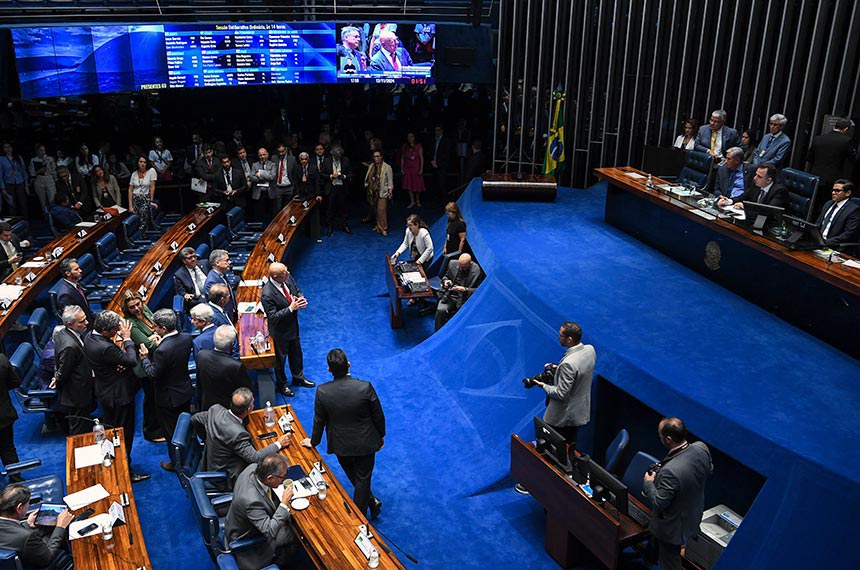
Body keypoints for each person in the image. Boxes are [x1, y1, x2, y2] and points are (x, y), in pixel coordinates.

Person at [301, 349, 385, 520]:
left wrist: (314, 442)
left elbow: (319, 421)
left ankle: (367, 507)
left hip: (340, 445)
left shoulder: (322, 391)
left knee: (356, 476)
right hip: (366, 442)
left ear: (329, 370)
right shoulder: (365, 387)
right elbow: (378, 415)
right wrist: (381, 435)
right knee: (362, 479)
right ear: (348, 365)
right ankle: (361, 519)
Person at [82, 310, 149, 482]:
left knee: (112, 432)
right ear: (105, 330)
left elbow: (115, 359)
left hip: (105, 390)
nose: (118, 331)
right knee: (123, 435)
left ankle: (117, 465)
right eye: (115, 329)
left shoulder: (89, 336)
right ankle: (126, 471)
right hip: (119, 396)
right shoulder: (105, 348)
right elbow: (132, 361)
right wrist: (127, 339)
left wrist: (118, 362)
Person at [642, 417, 713, 570]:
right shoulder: (701, 447)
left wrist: (648, 483)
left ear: (668, 439)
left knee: (670, 563)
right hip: (693, 513)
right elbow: (709, 469)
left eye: (660, 435)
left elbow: (659, 502)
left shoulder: (670, 471)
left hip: (673, 527)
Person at [192, 387, 289, 484]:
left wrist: (206, 438)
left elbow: (195, 419)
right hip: (227, 476)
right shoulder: (238, 434)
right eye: (253, 403)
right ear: (249, 409)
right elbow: (255, 458)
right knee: (268, 470)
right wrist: (278, 444)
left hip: (211, 462)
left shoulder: (215, 410)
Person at [139, 308, 194, 472]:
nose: (154, 329)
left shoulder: (162, 350)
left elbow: (153, 373)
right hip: (184, 391)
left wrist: (145, 358)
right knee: (185, 427)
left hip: (168, 398)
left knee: (171, 433)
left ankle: (176, 464)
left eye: (156, 327)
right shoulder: (186, 338)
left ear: (163, 328)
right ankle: (190, 455)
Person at [225, 455, 297, 570]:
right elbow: (269, 531)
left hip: (239, 522)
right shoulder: (252, 501)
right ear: (269, 478)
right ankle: (281, 564)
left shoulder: (253, 468)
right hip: (247, 537)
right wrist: (284, 504)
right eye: (282, 477)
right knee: (292, 533)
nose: (283, 480)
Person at [531, 322, 595, 446]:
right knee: (569, 445)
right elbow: (580, 370)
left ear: (569, 339)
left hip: (562, 418)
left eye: (560, 335)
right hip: (578, 412)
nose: (558, 337)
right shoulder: (590, 350)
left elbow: (561, 394)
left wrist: (543, 385)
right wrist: (559, 368)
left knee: (554, 449)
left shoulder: (569, 364)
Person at [260, 262, 315, 398]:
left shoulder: (287, 278)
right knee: (280, 360)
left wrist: (300, 298)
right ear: (275, 277)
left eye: (287, 271)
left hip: (292, 326)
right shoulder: (267, 293)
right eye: (284, 273)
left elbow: (296, 290)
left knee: (296, 354)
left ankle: (298, 377)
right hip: (280, 332)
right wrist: (291, 308)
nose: (288, 274)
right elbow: (273, 317)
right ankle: (282, 384)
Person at [120, 290, 165, 443]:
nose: (137, 309)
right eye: (132, 307)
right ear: (127, 309)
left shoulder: (145, 309)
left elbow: (157, 326)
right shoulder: (130, 324)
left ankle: (159, 424)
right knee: (151, 398)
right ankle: (151, 431)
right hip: (144, 366)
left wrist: (154, 336)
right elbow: (148, 345)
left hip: (155, 360)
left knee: (157, 395)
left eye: (138, 304)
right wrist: (155, 338)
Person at [0, 485, 75, 570]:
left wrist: (27, 524)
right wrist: (60, 526)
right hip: (33, 564)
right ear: (19, 507)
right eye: (27, 504)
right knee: (58, 535)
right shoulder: (27, 536)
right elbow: (47, 557)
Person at [52, 306, 95, 436]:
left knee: (84, 424)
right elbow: (64, 370)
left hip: (81, 389)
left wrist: (56, 376)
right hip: (77, 394)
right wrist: (57, 379)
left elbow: (59, 363)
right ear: (69, 324)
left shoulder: (62, 333)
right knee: (78, 430)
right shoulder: (69, 346)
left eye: (85, 319)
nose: (86, 323)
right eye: (81, 322)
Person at [196, 326, 252, 411]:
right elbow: (246, 389)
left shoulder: (201, 355)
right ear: (232, 344)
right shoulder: (235, 366)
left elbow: (199, 381)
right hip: (228, 409)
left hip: (207, 407)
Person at [806, 117, 855, 213]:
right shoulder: (846, 141)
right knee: (827, 205)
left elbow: (809, 158)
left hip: (815, 176)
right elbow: (852, 160)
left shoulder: (818, 138)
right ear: (845, 129)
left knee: (812, 204)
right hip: (833, 179)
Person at [434, 253, 481, 330]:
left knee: (462, 317)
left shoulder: (476, 270)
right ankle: (438, 333)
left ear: (470, 264)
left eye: (463, 267)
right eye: (460, 265)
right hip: (450, 295)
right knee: (440, 310)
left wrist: (465, 289)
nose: (460, 268)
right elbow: (445, 277)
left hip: (464, 299)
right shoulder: (452, 263)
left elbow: (478, 291)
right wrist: (446, 281)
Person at [718, 163, 789, 210]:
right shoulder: (756, 184)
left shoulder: (780, 191)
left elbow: (769, 210)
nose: (754, 178)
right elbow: (743, 197)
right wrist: (729, 201)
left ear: (768, 180)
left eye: (759, 176)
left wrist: (745, 206)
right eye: (756, 174)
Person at [816, 179, 860, 247]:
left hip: (834, 246)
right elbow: (818, 224)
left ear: (848, 193)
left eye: (837, 191)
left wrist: (825, 242)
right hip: (818, 243)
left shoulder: (853, 210)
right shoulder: (828, 204)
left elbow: (847, 235)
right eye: (833, 190)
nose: (833, 193)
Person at [0, 352, 22, 476]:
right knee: (8, 448)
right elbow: (15, 382)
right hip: (4, 414)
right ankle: (16, 479)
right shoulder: (1, 359)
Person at [55, 258, 94, 324]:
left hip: (89, 318)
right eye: (76, 269)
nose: (80, 271)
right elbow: (73, 320)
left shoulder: (75, 284)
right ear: (68, 273)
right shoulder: (65, 295)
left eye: (79, 268)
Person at [364, 150, 393, 236]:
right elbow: (368, 176)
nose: (376, 158)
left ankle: (384, 228)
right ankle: (378, 225)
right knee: (375, 209)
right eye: (374, 156)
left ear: (381, 157)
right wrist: (367, 185)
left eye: (377, 156)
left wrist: (390, 191)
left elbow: (390, 181)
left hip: (382, 191)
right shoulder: (371, 166)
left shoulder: (387, 167)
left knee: (381, 210)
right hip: (372, 191)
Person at [204, 249, 237, 322]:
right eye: (226, 260)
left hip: (231, 313)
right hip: (224, 319)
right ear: (217, 263)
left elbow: (230, 295)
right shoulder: (212, 282)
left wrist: (235, 311)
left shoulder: (221, 274)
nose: (229, 262)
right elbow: (219, 305)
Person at [325, 145, 351, 235]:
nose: (337, 158)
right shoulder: (326, 161)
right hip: (331, 187)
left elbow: (351, 173)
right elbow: (322, 174)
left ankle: (345, 225)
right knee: (330, 208)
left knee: (343, 208)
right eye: (336, 156)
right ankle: (330, 226)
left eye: (339, 156)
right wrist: (331, 176)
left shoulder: (346, 160)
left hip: (342, 187)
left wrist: (344, 176)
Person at [174, 246, 208, 313]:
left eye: (194, 256)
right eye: (190, 258)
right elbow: (181, 292)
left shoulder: (205, 263)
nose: (193, 259)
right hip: (197, 301)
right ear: (184, 261)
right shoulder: (179, 275)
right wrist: (185, 295)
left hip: (212, 295)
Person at [128, 155, 157, 230]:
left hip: (145, 198)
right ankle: (139, 235)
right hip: (135, 199)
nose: (142, 164)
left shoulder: (151, 171)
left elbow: (152, 187)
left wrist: (151, 201)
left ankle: (145, 233)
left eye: (144, 162)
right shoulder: (134, 174)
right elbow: (130, 190)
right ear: (137, 163)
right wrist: (130, 206)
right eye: (140, 162)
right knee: (136, 221)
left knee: (144, 221)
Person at [0, 142, 29, 218]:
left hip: (20, 182)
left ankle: (25, 221)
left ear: (12, 148)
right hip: (8, 184)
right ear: (3, 149)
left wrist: (26, 185)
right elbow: (0, 175)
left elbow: (24, 172)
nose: (8, 149)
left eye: (9, 147)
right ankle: (14, 222)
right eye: (6, 147)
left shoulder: (18, 157)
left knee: (23, 203)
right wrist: (3, 188)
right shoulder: (1, 159)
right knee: (12, 205)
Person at [249, 147, 277, 223]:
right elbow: (252, 178)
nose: (262, 157)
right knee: (259, 214)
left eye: (264, 154)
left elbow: (272, 177)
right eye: (260, 155)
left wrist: (259, 174)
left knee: (270, 214)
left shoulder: (272, 165)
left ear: (267, 154)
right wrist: (266, 175)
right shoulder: (254, 165)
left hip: (269, 192)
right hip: (259, 193)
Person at [29, 144, 57, 212]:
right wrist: (39, 171)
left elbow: (54, 170)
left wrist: (56, 180)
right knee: (42, 202)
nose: (43, 152)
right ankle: (46, 216)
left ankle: (54, 216)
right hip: (39, 180)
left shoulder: (50, 159)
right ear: (37, 151)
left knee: (52, 200)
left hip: (49, 179)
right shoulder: (33, 160)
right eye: (41, 150)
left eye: (44, 150)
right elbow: (32, 173)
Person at [401, 132, 425, 208]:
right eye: (408, 137)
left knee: (416, 185)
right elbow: (402, 158)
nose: (410, 138)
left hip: (416, 169)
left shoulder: (418, 146)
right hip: (407, 169)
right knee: (409, 185)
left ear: (414, 138)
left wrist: (421, 169)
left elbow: (421, 158)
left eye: (411, 136)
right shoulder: (405, 146)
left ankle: (417, 201)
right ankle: (412, 201)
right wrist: (402, 168)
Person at [430, 125, 452, 202]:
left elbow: (447, 155)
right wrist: (432, 161)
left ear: (442, 130)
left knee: (442, 185)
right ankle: (436, 202)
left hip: (442, 166)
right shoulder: (433, 140)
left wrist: (438, 163)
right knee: (434, 185)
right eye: (436, 130)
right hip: (433, 165)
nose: (437, 132)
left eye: (438, 130)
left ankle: (445, 203)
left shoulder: (446, 140)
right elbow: (430, 152)